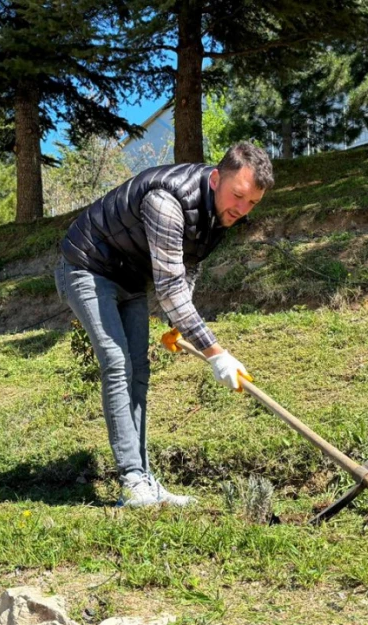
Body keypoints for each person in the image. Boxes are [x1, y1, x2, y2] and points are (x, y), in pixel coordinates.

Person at [54, 141, 275, 508]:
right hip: (86, 266)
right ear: (217, 178)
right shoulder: (167, 201)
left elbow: (189, 263)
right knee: (117, 363)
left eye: (252, 203)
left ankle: (142, 478)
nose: (241, 209)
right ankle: (131, 481)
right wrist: (217, 353)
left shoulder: (222, 212)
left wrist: (177, 322)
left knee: (139, 370)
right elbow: (170, 287)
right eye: (238, 196)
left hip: (130, 275)